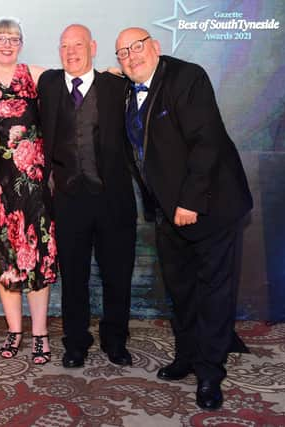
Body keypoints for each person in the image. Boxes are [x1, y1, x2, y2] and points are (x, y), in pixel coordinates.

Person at [114, 27, 253, 410]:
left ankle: (210, 372)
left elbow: (206, 141)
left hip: (210, 207)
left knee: (213, 292)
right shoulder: (129, 91)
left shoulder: (187, 77)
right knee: (181, 290)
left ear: (156, 47)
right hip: (167, 212)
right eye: (122, 53)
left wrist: (190, 201)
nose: (131, 56)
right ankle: (188, 355)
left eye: (137, 47)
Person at [37, 24, 137, 369]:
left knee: (117, 275)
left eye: (77, 45)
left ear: (93, 47)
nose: (71, 52)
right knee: (74, 278)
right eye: (64, 46)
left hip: (114, 199)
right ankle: (75, 343)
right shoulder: (48, 84)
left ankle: (115, 341)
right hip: (68, 200)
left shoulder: (117, 85)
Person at [0, 17, 57, 365]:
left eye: (14, 38)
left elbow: (71, 93)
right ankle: (14, 331)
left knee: (36, 259)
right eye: (1, 38)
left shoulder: (36, 75)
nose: (7, 44)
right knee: (6, 262)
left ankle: (40, 335)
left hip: (33, 184)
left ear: (21, 43)